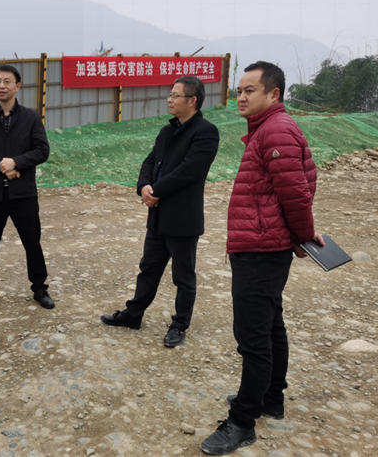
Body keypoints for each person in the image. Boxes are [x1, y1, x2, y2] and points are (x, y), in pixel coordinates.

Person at [201, 61, 323, 455]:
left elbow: (296, 193)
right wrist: (298, 234)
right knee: (270, 325)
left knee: (253, 338)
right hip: (262, 244)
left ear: (274, 94)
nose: (240, 97)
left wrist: (303, 235)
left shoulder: (276, 130)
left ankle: (242, 421)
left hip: (261, 248)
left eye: (249, 90)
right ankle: (270, 398)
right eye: (239, 90)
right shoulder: (269, 128)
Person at [100, 76, 220, 347]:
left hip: (182, 218)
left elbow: (189, 170)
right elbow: (151, 160)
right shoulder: (167, 130)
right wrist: (143, 186)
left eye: (175, 95)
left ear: (192, 100)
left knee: (183, 277)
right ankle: (133, 314)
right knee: (148, 269)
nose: (170, 99)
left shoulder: (206, 132)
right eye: (170, 95)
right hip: (158, 215)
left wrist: (155, 191)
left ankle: (179, 325)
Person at [0, 64, 53, 311]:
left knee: (32, 242)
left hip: (23, 193)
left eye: (7, 81)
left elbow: (42, 150)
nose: (1, 86)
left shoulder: (31, 117)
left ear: (18, 86)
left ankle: (40, 288)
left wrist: (16, 162)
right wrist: (1, 165)